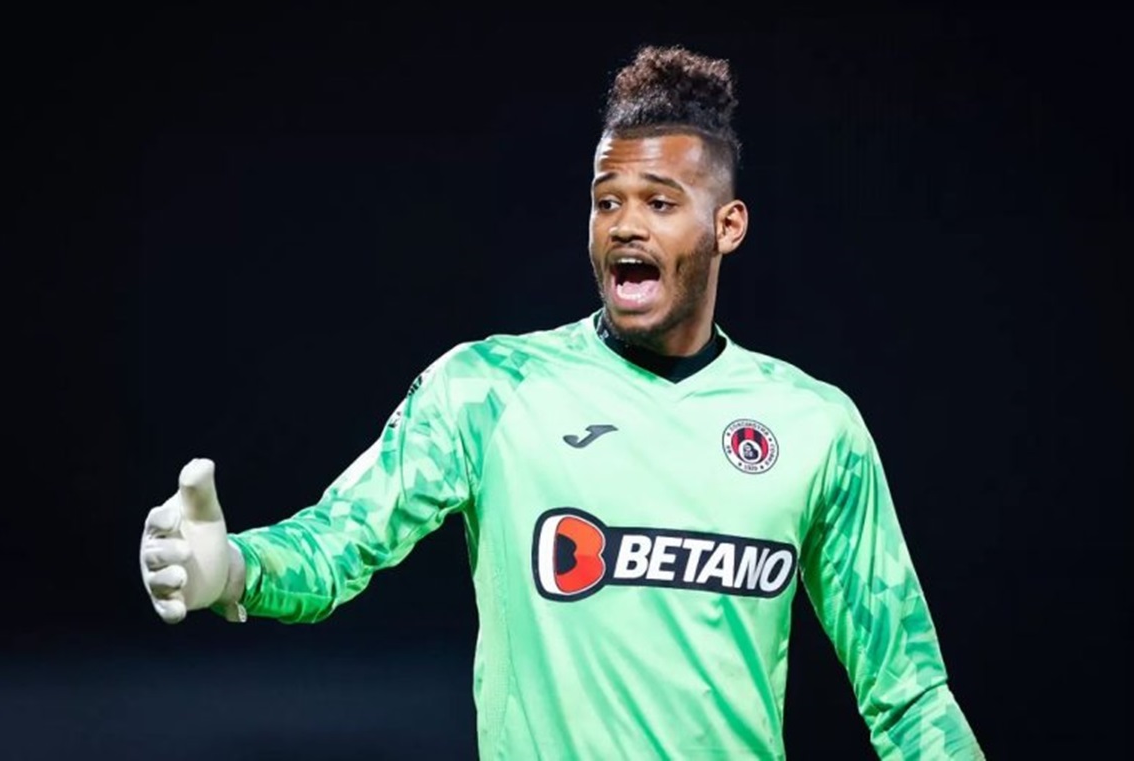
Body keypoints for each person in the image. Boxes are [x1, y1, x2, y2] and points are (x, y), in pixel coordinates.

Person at [138, 45, 984, 759]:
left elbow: (907, 694)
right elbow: (340, 542)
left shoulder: (813, 427)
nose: (624, 225)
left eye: (659, 203)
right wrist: (237, 569)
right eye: (606, 201)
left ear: (726, 226)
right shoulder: (489, 389)